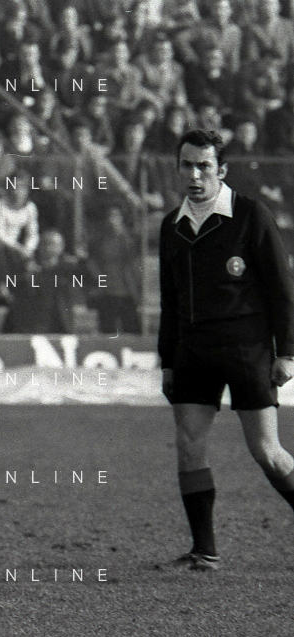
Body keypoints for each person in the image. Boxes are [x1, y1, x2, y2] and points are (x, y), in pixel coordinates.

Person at [158, 129, 294, 570]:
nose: (194, 175)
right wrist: (167, 361)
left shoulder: (251, 215)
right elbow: (170, 301)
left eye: (204, 166)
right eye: (187, 165)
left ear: (222, 170)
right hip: (193, 351)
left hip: (246, 348)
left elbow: (282, 289)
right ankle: (204, 550)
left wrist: (287, 352)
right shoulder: (171, 225)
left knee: (268, 453)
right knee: (188, 445)